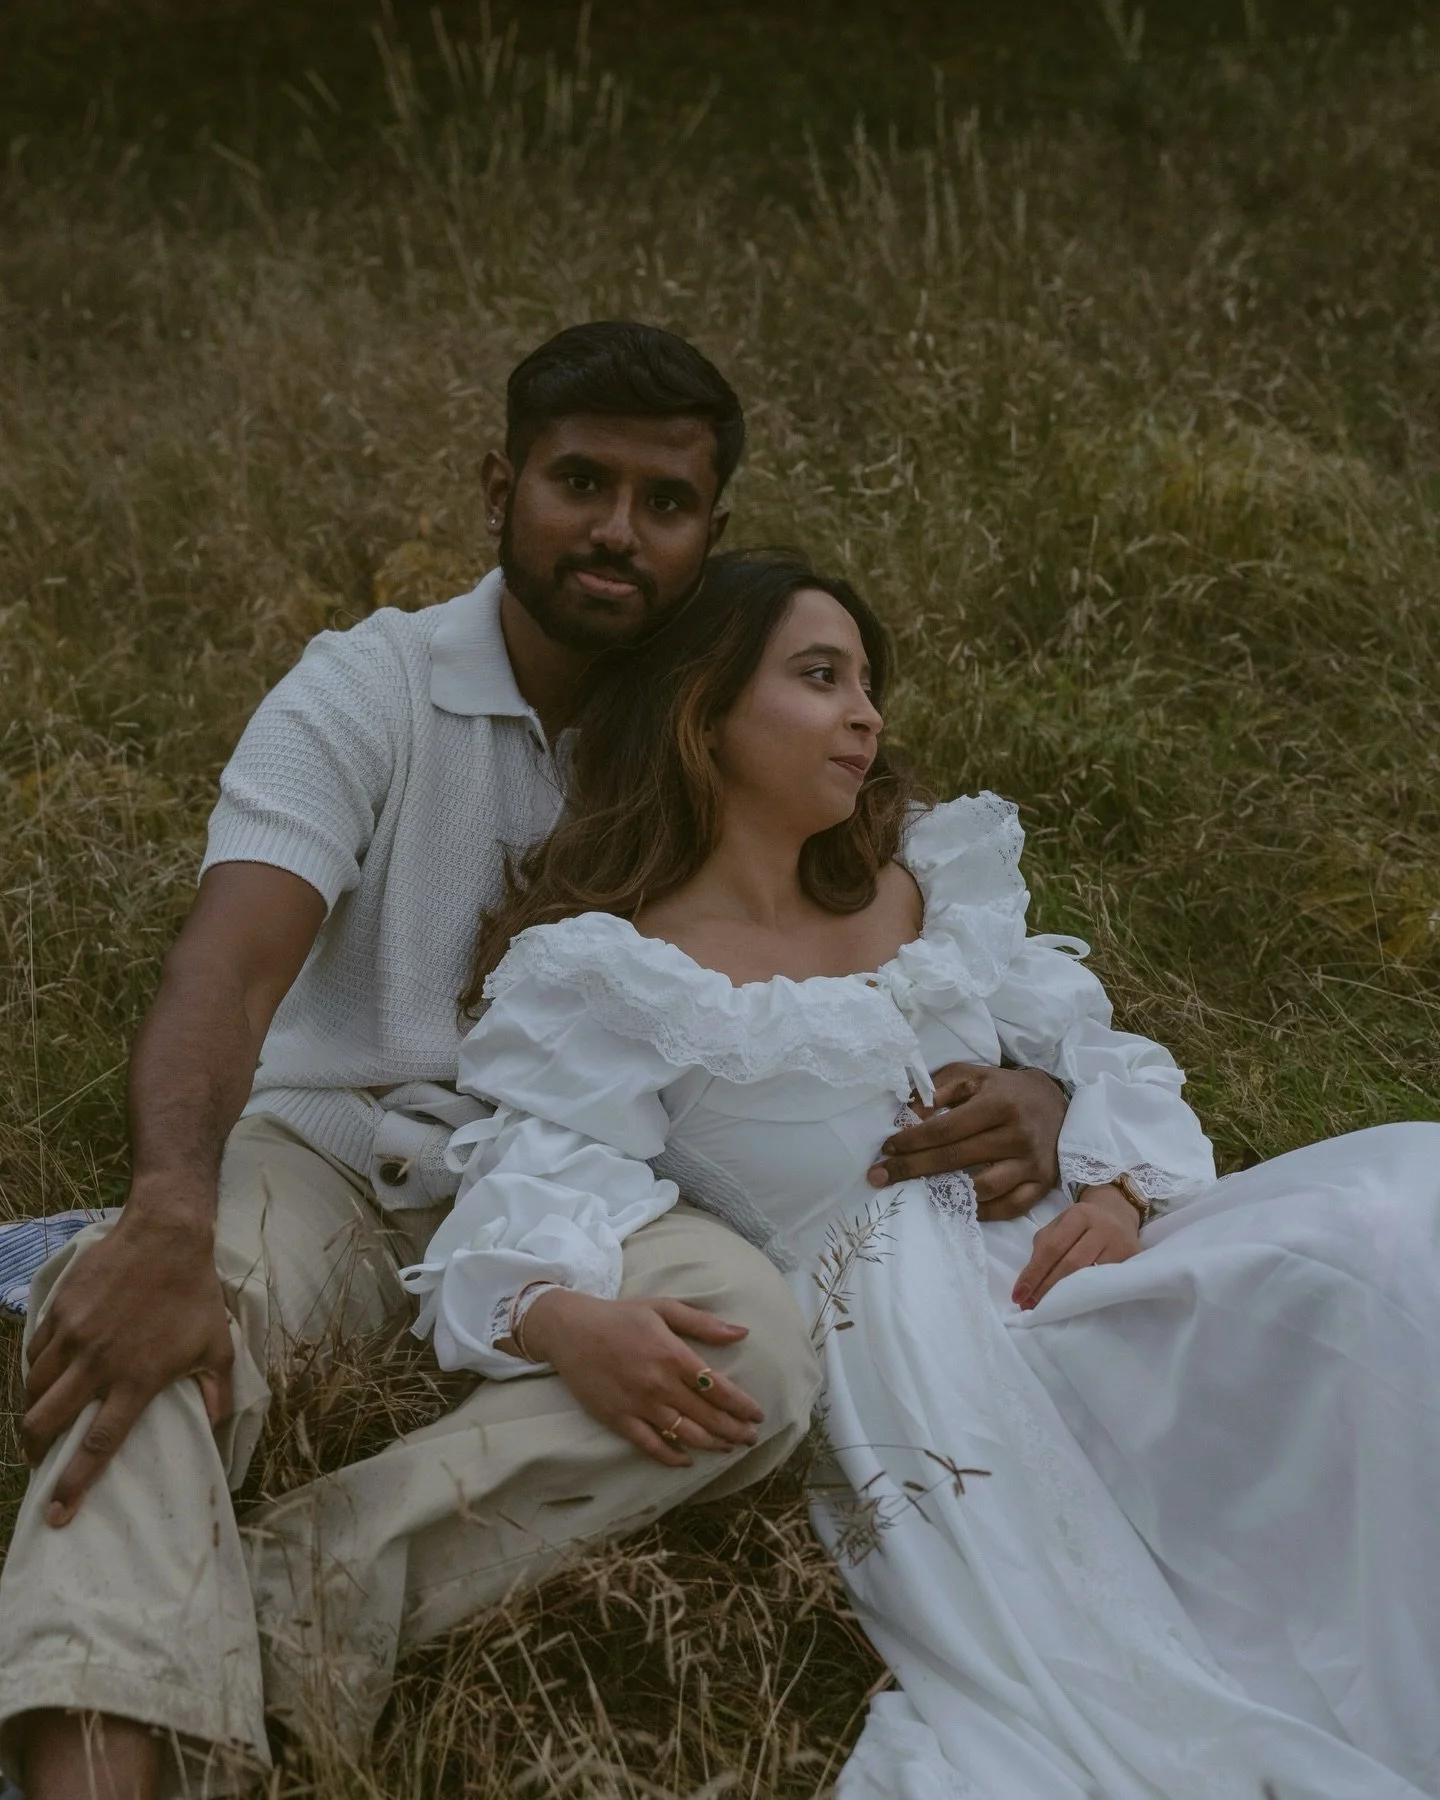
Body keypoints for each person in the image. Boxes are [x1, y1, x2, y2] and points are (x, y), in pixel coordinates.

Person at [0, 327, 1067, 1800]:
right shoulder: (367, 689)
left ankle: (295, 1602)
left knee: (753, 1355)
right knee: (151, 1311)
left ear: (710, 532)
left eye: (666, 501)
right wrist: (169, 1210)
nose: (619, 529)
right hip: (330, 1154)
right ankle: (98, 1751)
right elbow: (226, 968)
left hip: (601, 1186)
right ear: (501, 486)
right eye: (580, 482)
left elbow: (912, 921)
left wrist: (1043, 1081)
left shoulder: (730, 719)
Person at [405, 547, 1440, 1799]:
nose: (865, 715)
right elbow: (528, 1187)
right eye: (819, 677)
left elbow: (1102, 1052)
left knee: (1396, 1220)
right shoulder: (616, 976)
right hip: (923, 1355)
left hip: (1088, 1267)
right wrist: (559, 1315)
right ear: (704, 708)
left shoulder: (928, 889)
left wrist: (1111, 1182)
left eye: (867, 684)